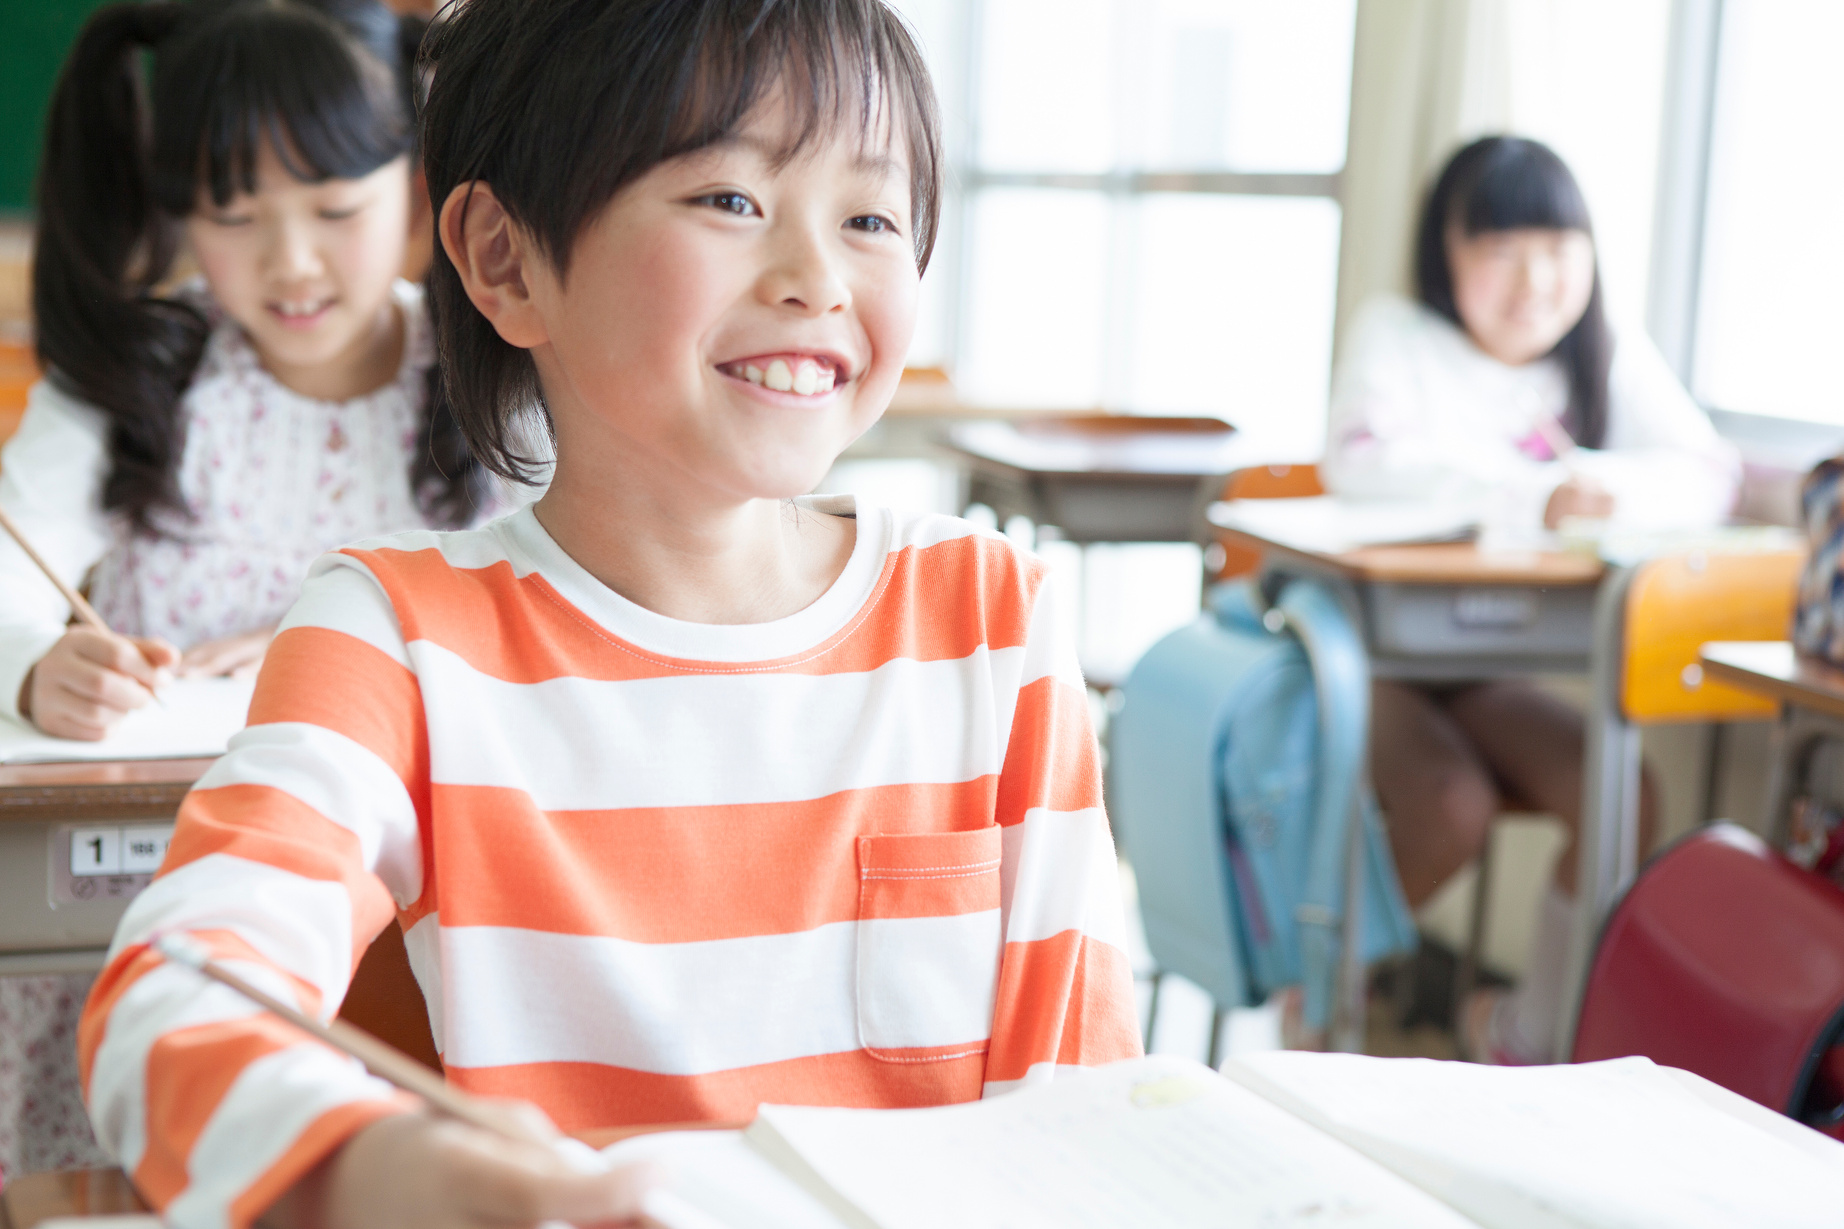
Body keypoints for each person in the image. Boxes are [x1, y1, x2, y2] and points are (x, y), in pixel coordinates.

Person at [78, 1, 1143, 1225]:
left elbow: (1081, 1118)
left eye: (868, 218)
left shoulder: (990, 617)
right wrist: (375, 1171)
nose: (814, 280)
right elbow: (168, 994)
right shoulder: (395, 636)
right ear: (502, 258)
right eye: (730, 200)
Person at [0, 0, 490, 1181]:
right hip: (135, 893)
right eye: (233, 215)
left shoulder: (489, 378)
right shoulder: (139, 371)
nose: (292, 263)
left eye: (335, 208)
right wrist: (31, 661)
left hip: (412, 900)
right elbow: (11, 572)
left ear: (420, 193)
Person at [1325, 136, 1739, 1065]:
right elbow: (1361, 463)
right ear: (1447, 255)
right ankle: (1322, 989)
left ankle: (1528, 1034)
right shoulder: (1401, 336)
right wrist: (1533, 495)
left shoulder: (1604, 353)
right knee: (1450, 802)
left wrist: (1604, 489)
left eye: (1559, 249)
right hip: (1375, 658)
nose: (1536, 280)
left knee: (1623, 791)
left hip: (1487, 671)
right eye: (1502, 249)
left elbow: (1709, 471)